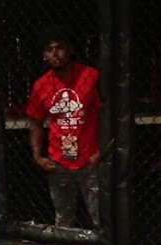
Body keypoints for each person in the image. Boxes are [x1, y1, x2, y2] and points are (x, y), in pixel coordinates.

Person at [26, 26, 102, 230]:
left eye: (59, 48)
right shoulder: (41, 85)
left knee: (100, 215)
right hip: (59, 159)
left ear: (69, 49)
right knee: (63, 218)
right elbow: (35, 121)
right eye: (49, 50)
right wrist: (37, 155)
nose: (55, 54)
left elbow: (107, 115)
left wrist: (102, 150)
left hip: (90, 156)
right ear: (44, 55)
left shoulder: (90, 76)